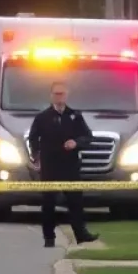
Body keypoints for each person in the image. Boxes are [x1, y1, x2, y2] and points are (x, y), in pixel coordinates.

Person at [28, 80, 98, 248]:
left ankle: (81, 234)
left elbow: (88, 137)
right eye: (56, 94)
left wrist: (76, 142)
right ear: (51, 96)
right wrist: (36, 157)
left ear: (67, 95)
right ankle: (49, 238)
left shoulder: (75, 116)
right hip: (50, 166)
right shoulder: (42, 117)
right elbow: (33, 139)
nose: (59, 97)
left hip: (70, 166)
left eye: (62, 93)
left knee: (75, 201)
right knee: (48, 203)